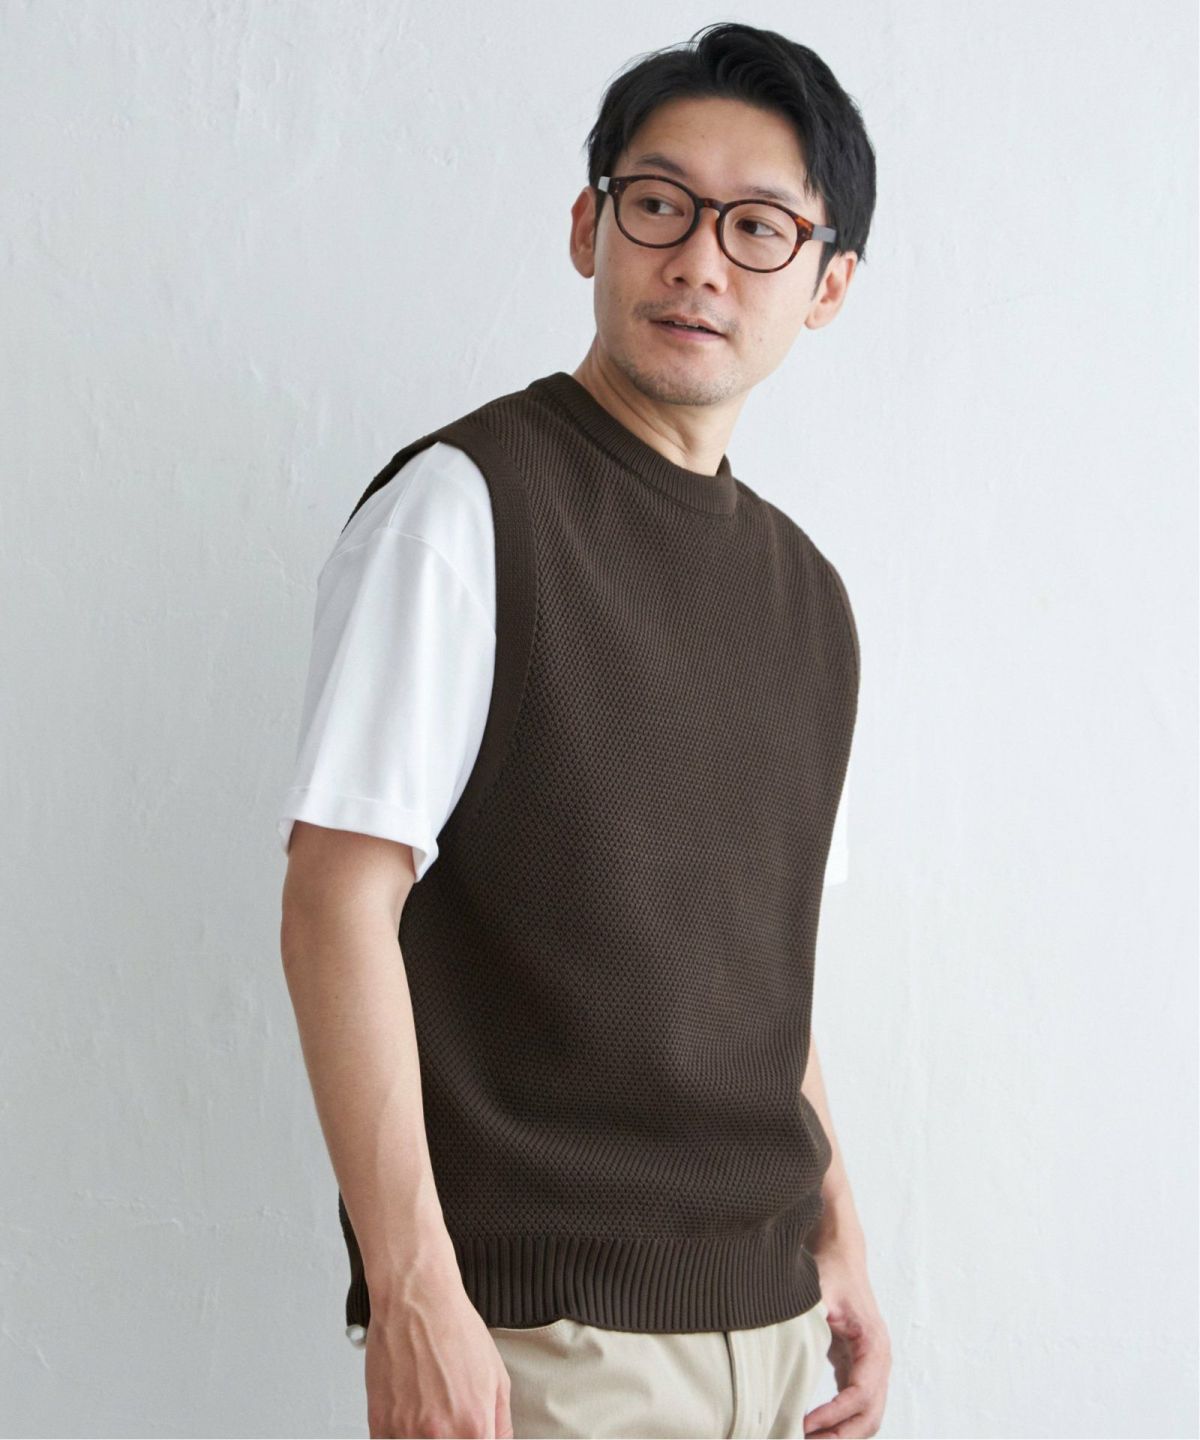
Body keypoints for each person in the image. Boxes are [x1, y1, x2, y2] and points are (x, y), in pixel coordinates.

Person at [278, 21, 889, 1440]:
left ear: (827, 283)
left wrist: (841, 1233)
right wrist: (412, 1289)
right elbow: (333, 903)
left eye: (758, 227)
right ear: (587, 227)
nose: (700, 262)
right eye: (660, 204)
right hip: (546, 1339)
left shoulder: (811, 598)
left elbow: (762, 978)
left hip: (771, 1325)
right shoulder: (463, 509)